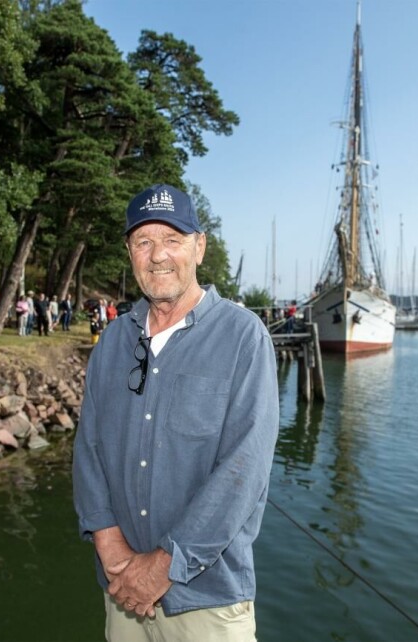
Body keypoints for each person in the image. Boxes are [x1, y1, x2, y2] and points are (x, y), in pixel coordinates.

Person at [73, 184, 279, 641]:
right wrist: (109, 546)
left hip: (207, 601)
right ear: (129, 253)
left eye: (172, 239)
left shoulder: (245, 339)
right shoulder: (110, 343)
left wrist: (164, 565)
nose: (158, 255)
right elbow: (88, 449)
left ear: (199, 247)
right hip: (121, 589)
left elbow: (242, 472)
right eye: (143, 242)